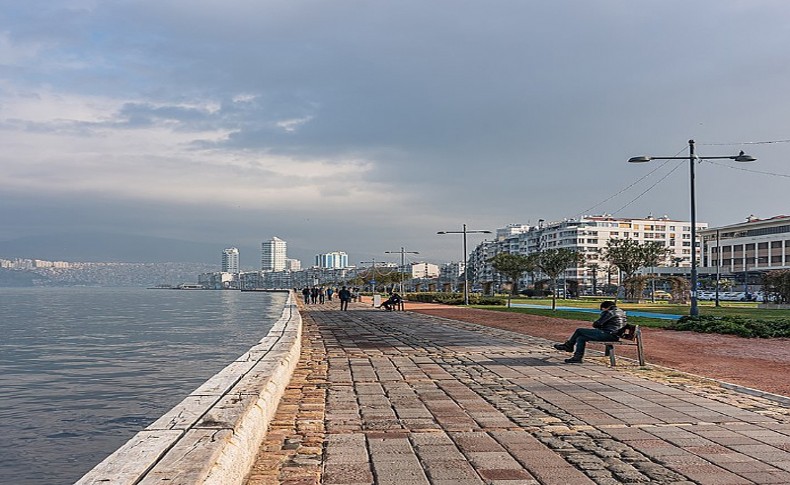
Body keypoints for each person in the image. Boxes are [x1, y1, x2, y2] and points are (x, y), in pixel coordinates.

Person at [553, 300, 627, 364]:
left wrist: (599, 322)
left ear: (605, 308)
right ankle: (577, 357)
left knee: (579, 330)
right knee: (581, 338)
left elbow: (597, 324)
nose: (602, 311)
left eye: (602, 309)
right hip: (614, 335)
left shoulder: (609, 312)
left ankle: (569, 346)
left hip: (607, 334)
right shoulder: (621, 312)